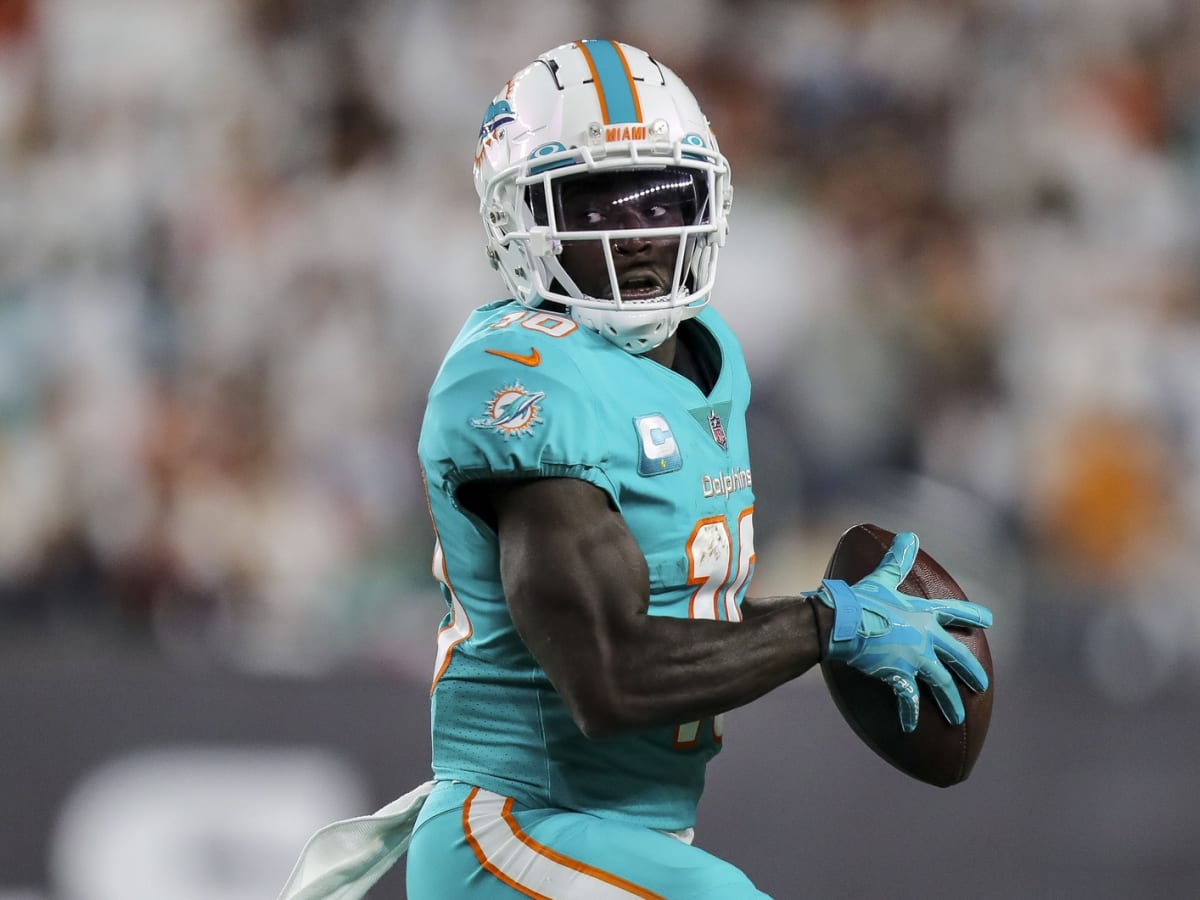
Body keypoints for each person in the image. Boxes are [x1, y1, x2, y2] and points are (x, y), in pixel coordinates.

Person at [278, 39, 993, 900]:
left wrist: (830, 621)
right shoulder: (520, 376)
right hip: (518, 829)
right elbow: (611, 675)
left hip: (628, 834)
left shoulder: (708, 353)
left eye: (662, 197)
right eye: (591, 203)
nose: (636, 232)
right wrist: (822, 622)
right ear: (518, 220)